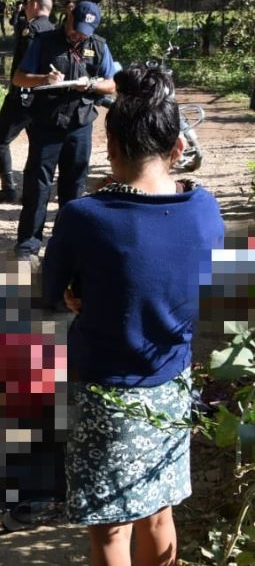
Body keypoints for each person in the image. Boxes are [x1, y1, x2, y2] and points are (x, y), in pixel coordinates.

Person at [43, 64, 224, 565]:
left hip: (103, 390)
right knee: (158, 512)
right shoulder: (206, 209)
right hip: (170, 384)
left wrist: (82, 292)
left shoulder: (84, 216)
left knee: (110, 527)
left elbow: (49, 291)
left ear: (111, 147)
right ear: (178, 149)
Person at [11, 0, 116, 260]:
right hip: (46, 125)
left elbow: (111, 83)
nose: (77, 34)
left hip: (80, 125)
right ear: (68, 17)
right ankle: (28, 244)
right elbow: (19, 77)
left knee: (74, 187)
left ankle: (65, 245)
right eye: (75, 28)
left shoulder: (99, 46)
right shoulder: (44, 41)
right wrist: (44, 79)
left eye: (84, 32)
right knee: (38, 186)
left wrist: (90, 85)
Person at [0, 0, 55, 203]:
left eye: (27, 4)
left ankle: (9, 188)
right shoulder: (54, 31)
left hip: (23, 96)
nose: (24, 7)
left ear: (34, 5)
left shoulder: (30, 29)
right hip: (44, 98)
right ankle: (32, 192)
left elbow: (23, 64)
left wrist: (17, 89)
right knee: (37, 146)